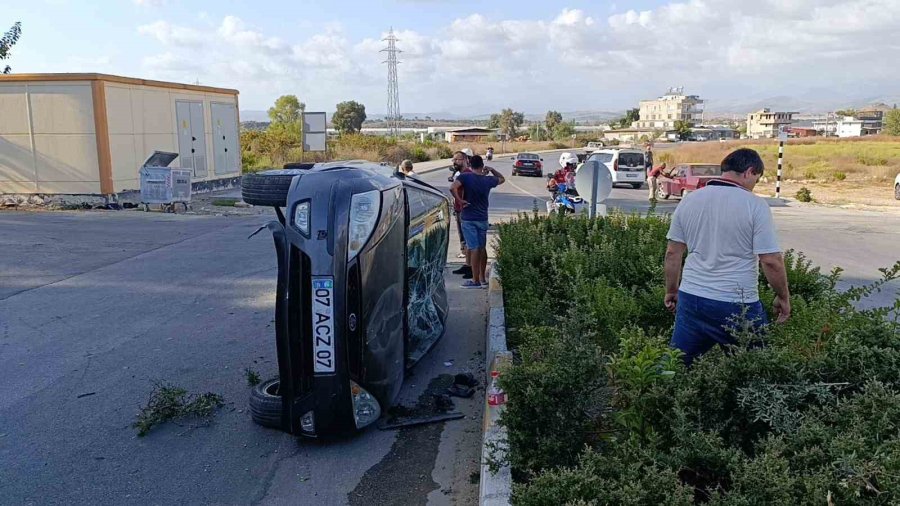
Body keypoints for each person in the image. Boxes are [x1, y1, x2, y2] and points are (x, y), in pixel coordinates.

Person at [664, 148, 791, 366]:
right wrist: (783, 297)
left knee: (676, 365)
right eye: (756, 179)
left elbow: (672, 253)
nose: (754, 185)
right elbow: (771, 261)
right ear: (749, 172)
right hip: (737, 303)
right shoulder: (755, 205)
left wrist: (672, 291)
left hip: (692, 298)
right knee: (756, 368)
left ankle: (653, 388)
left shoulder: (690, 200)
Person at [450, 155, 505, 288]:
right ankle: (482, 279)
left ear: (470, 164)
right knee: (481, 247)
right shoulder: (488, 180)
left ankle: (475, 281)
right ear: (482, 165)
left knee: (473, 248)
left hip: (468, 218)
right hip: (482, 218)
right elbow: (502, 179)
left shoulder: (465, 177)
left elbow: (453, 188)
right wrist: (492, 170)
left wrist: (460, 200)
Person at [449, 151, 473, 277]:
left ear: (464, 160)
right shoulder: (461, 174)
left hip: (465, 211)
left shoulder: (467, 175)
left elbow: (452, 188)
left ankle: (471, 267)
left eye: (457, 159)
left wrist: (459, 200)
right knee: (464, 239)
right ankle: (467, 265)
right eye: (453, 159)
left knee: (468, 240)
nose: (454, 162)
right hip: (459, 210)